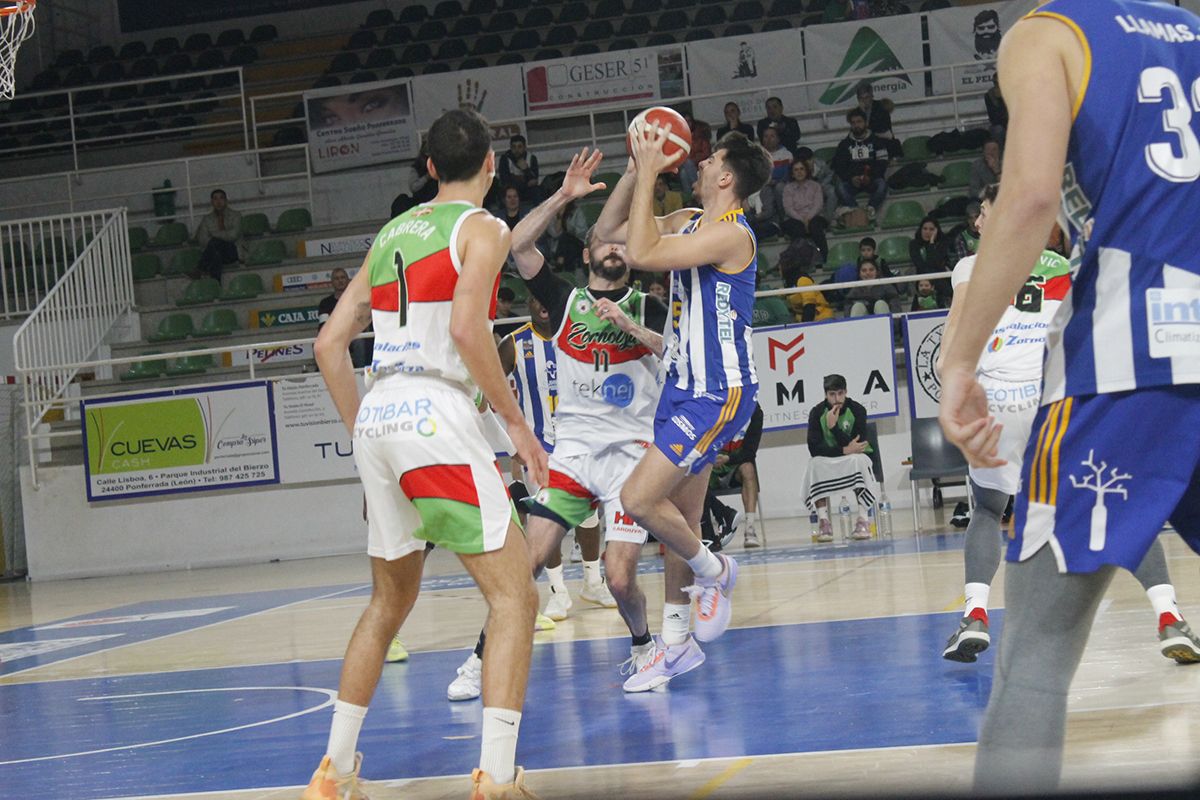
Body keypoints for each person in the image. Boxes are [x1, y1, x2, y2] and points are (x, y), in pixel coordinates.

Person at [936, 2, 1200, 792]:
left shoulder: (1047, 32)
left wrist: (958, 362)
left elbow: (1027, 200)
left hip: (1127, 360)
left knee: (1035, 662)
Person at [303, 109, 547, 800]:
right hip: (437, 408)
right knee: (514, 595)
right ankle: (497, 780)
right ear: (492, 165)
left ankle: (335, 771)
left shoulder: (390, 235)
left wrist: (365, 438)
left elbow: (328, 348)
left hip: (381, 406)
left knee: (389, 600)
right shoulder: (485, 228)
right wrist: (518, 427)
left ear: (430, 168)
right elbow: (469, 328)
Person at [939, 185, 1200, 670]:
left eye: (983, 210)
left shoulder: (972, 267)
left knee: (987, 507)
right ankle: (1169, 617)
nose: (977, 221)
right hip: (1056, 394)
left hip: (998, 397)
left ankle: (974, 614)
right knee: (1125, 507)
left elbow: (953, 341)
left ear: (999, 217)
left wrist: (949, 382)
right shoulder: (1062, 264)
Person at [450, 147, 676, 700]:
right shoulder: (563, 299)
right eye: (609, 241)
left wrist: (631, 325)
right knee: (522, 563)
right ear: (589, 250)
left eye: (626, 244)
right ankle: (479, 661)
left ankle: (645, 646)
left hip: (630, 456)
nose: (617, 249)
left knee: (621, 578)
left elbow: (676, 357)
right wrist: (564, 196)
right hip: (573, 453)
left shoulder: (648, 304)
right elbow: (516, 245)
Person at [598, 128, 771, 691]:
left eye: (712, 158)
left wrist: (651, 172)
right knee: (682, 520)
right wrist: (631, 170)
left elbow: (645, 254)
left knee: (637, 498)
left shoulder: (731, 235)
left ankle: (717, 571)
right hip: (679, 384)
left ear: (728, 178)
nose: (700, 161)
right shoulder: (692, 218)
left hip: (717, 393)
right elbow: (607, 239)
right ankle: (677, 645)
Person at [801, 374, 877, 542]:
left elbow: (858, 445)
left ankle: (863, 519)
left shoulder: (857, 410)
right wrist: (844, 450)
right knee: (814, 464)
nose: (837, 399)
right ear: (826, 395)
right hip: (833, 457)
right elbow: (814, 449)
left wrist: (834, 428)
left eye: (840, 393)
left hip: (854, 458)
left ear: (846, 392)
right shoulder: (817, 413)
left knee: (859, 460)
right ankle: (824, 521)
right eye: (832, 394)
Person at [704, 404, 764, 549]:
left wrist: (728, 459)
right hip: (709, 465)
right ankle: (708, 533)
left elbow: (750, 452)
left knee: (748, 468)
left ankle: (750, 529)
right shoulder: (712, 405)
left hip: (733, 465)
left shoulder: (754, 411)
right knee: (693, 474)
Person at [832, 108, 890, 219]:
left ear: (866, 123)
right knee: (839, 187)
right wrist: (851, 178)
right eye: (853, 123)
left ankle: (870, 208)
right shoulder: (844, 145)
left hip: (872, 180)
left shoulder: (877, 141)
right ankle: (856, 210)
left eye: (859, 122)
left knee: (882, 184)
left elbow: (882, 163)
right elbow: (839, 167)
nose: (856, 125)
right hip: (852, 183)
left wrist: (871, 176)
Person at [317, 267, 372, 369]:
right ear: (332, 282)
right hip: (335, 337)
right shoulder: (325, 303)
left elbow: (364, 321)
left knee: (361, 342)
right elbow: (323, 326)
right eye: (336, 278)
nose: (340, 280)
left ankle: (362, 372)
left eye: (342, 277)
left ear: (348, 280)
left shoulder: (358, 299)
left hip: (354, 335)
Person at [780, 160, 828, 259]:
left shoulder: (815, 186)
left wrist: (808, 218)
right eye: (796, 170)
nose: (799, 172)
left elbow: (818, 205)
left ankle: (824, 256)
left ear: (806, 171)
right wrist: (802, 220)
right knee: (797, 229)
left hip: (815, 216)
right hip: (794, 218)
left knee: (815, 226)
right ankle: (799, 260)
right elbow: (788, 208)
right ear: (792, 174)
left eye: (802, 169)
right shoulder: (788, 188)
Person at [193, 189, 243, 283]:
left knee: (215, 242)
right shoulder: (206, 219)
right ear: (212, 202)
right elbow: (202, 240)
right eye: (215, 199)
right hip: (215, 252)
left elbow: (233, 235)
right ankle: (216, 285)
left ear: (226, 200)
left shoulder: (236, 215)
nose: (218, 202)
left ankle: (200, 269)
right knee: (216, 255)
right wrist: (220, 237)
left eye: (221, 198)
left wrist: (215, 234)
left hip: (232, 251)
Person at [498, 134, 540, 202]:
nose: (516, 150)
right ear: (510, 148)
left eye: (519, 147)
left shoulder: (531, 158)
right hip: (511, 190)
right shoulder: (505, 159)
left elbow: (534, 180)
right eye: (514, 147)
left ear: (524, 147)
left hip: (527, 191)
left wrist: (526, 169)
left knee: (537, 191)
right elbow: (505, 181)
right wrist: (525, 183)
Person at [984, 74, 1008, 144]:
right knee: (998, 130)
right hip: (999, 125)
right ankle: (999, 153)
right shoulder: (989, 96)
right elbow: (994, 118)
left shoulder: (1011, 92)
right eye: (996, 83)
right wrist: (1000, 100)